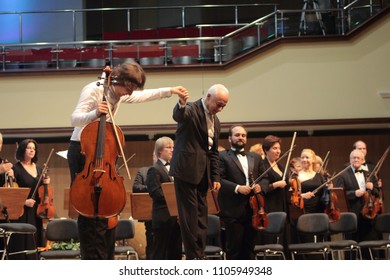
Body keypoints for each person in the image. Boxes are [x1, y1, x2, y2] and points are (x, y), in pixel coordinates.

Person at [67, 61, 189, 260]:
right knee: (89, 210)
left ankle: (105, 256)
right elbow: (74, 119)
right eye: (128, 87)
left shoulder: (119, 91)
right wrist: (95, 113)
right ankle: (91, 256)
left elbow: (142, 96)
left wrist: (170, 90)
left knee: (105, 208)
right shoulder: (93, 90)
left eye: (133, 88)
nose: (129, 92)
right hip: (82, 150)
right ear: (118, 79)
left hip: (104, 150)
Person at [169, 84, 229, 260]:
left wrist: (215, 176)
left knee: (202, 217)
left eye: (224, 106)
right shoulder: (191, 109)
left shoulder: (216, 121)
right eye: (219, 104)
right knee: (189, 216)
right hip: (185, 171)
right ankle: (193, 256)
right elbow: (179, 115)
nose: (220, 109)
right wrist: (181, 102)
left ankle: (199, 254)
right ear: (208, 96)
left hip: (203, 174)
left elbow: (213, 151)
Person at [218, 125, 262, 259]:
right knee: (234, 249)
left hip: (254, 210)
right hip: (233, 210)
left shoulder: (255, 156)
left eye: (243, 135)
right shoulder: (222, 156)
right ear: (230, 138)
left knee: (250, 249)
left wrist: (261, 186)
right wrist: (237, 188)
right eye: (237, 135)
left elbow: (265, 177)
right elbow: (218, 178)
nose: (241, 138)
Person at [335, 149, 380, 259]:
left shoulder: (370, 174)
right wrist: (354, 193)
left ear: (363, 160)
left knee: (368, 244)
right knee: (352, 246)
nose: (355, 159)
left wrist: (372, 188)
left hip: (368, 214)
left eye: (358, 158)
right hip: (352, 215)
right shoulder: (343, 175)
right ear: (350, 160)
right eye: (353, 158)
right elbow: (339, 195)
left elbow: (378, 193)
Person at [10, 139, 50, 259]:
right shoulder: (15, 169)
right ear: (23, 150)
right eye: (29, 148)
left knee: (35, 241)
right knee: (22, 244)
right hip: (22, 211)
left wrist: (46, 182)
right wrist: (24, 201)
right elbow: (12, 194)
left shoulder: (39, 169)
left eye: (34, 148)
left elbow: (41, 190)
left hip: (36, 210)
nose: (32, 150)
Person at [146, 136, 182, 260]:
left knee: (175, 251)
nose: (172, 150)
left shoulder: (175, 168)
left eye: (173, 147)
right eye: (168, 147)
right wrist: (174, 197)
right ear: (160, 151)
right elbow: (155, 192)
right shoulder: (154, 169)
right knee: (160, 253)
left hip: (176, 218)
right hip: (163, 218)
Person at [132, 155, 156, 260]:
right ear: (154, 157)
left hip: (168, 214)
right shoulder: (143, 171)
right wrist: (153, 188)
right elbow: (136, 187)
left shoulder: (172, 170)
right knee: (151, 240)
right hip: (149, 212)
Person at [259, 135, 288, 213]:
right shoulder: (262, 166)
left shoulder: (280, 166)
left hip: (282, 203)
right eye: (275, 148)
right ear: (266, 150)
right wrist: (276, 184)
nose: (278, 151)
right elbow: (261, 189)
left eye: (279, 148)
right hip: (270, 204)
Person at [298, 148, 327, 214]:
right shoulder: (297, 176)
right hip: (304, 210)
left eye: (307, 157)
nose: (304, 159)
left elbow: (325, 192)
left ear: (313, 160)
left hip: (320, 209)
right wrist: (303, 195)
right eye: (302, 158)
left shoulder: (319, 176)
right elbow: (291, 196)